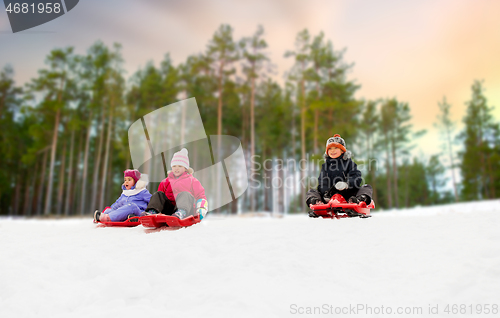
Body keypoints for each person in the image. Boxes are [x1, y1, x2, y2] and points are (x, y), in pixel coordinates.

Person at [306, 134, 373, 215]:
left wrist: (347, 184)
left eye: (336, 148)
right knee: (312, 191)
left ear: (342, 151)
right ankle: (316, 202)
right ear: (327, 152)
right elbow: (323, 181)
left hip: (348, 194)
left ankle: (359, 200)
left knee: (366, 187)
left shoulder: (349, 164)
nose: (332, 151)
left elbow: (356, 177)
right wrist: (326, 192)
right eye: (330, 149)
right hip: (330, 196)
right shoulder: (325, 166)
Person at [144, 148, 208, 219]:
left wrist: (201, 209)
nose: (176, 168)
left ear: (186, 168)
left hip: (186, 210)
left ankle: (181, 212)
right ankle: (152, 212)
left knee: (185, 194)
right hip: (169, 211)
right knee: (158, 194)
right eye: (174, 166)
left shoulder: (192, 181)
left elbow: (200, 196)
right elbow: (160, 199)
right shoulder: (165, 182)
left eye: (180, 166)